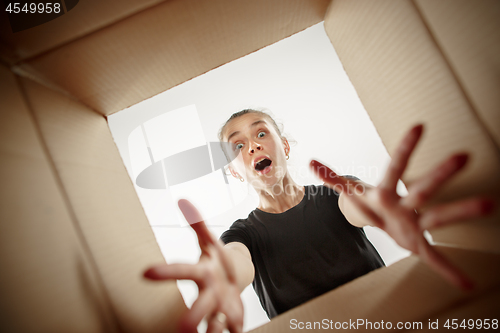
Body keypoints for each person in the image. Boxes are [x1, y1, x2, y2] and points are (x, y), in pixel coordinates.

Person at [144, 110, 494, 333]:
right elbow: (235, 261)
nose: (251, 146)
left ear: (285, 146)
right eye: (237, 147)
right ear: (235, 174)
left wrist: (387, 210)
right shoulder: (243, 234)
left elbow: (359, 202)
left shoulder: (333, 193)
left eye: (261, 133)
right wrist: (222, 278)